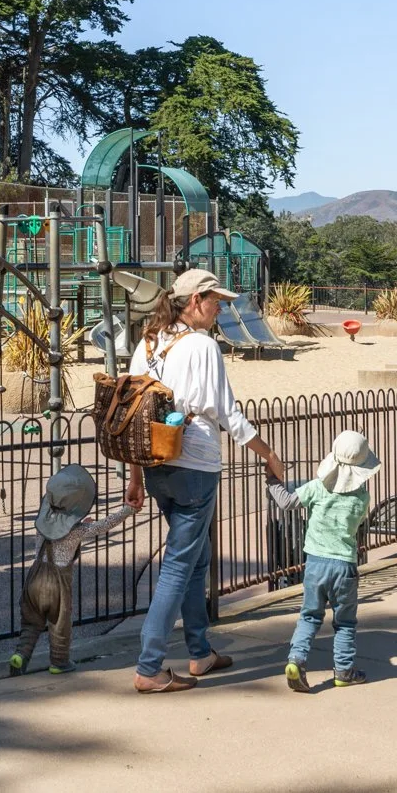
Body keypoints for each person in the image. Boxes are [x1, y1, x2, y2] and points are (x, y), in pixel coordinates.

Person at [125, 267, 288, 694]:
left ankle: (199, 652)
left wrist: (136, 477)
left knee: (197, 558)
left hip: (156, 463)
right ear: (195, 301)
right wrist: (269, 454)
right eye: (216, 301)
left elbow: (135, 417)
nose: (220, 309)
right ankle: (150, 666)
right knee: (180, 562)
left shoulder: (147, 344)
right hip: (194, 465)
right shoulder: (201, 346)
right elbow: (227, 414)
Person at [9, 465, 136, 676]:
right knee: (60, 624)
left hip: (34, 580)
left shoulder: (42, 521)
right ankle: (59, 662)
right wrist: (127, 510)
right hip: (58, 585)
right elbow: (102, 526)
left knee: (31, 622)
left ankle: (20, 656)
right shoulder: (76, 532)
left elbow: (57, 524)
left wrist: (75, 523)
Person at [282, 430, 379, 692]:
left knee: (310, 616)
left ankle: (297, 659)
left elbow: (287, 501)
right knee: (345, 622)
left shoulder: (316, 488)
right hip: (344, 566)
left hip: (315, 564)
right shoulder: (362, 498)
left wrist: (272, 480)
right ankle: (344, 671)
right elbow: (356, 525)